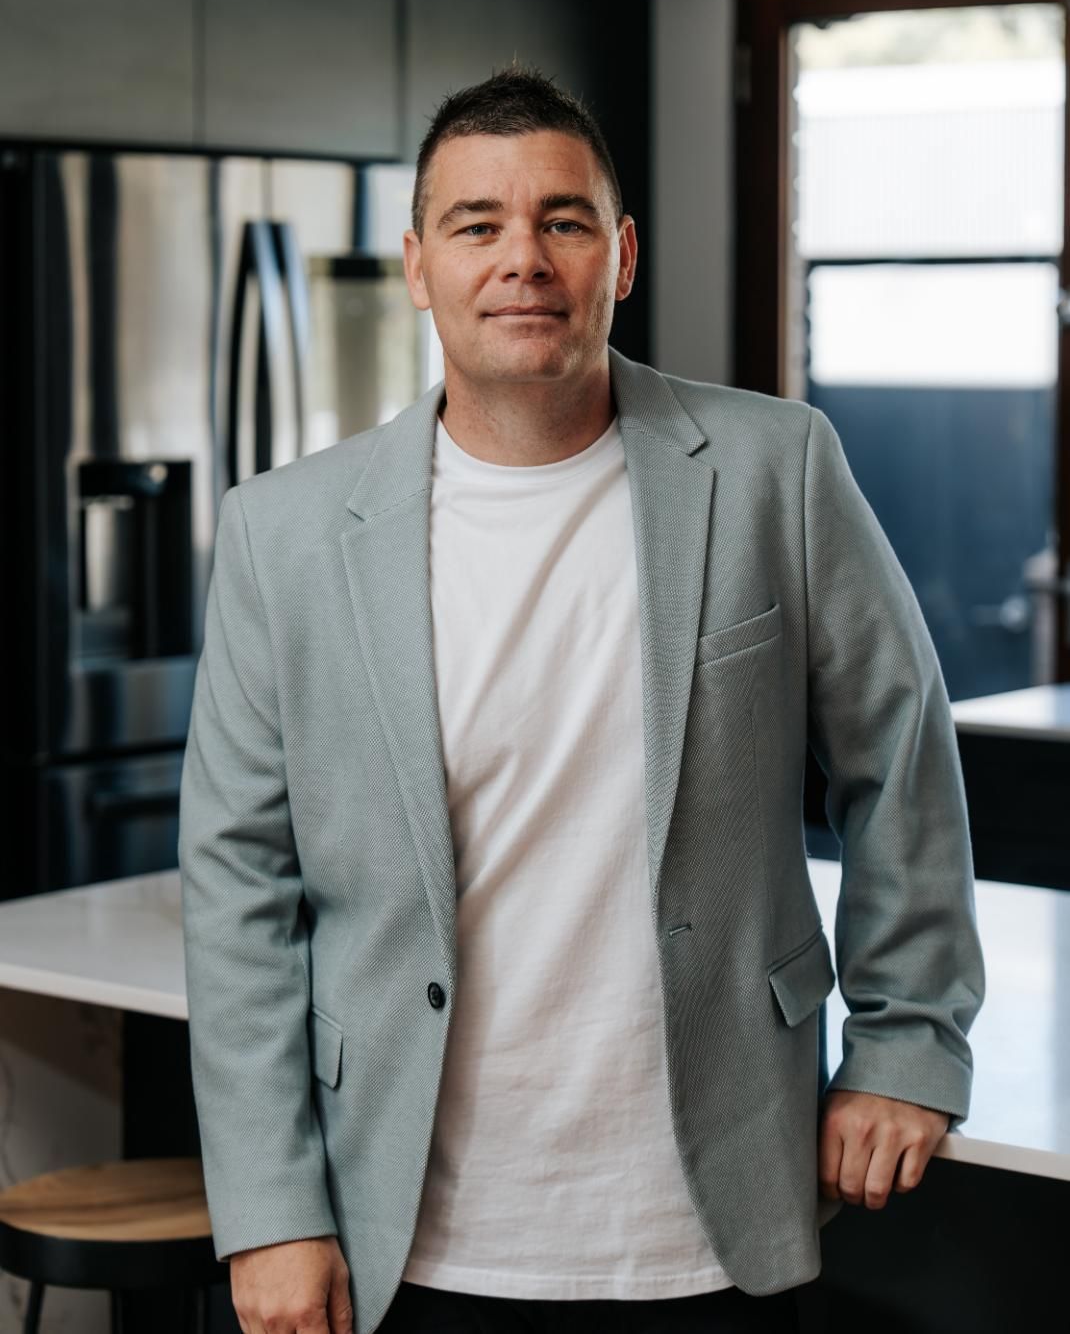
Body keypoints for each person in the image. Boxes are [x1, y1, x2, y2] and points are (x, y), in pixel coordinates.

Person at [178, 65, 985, 1334]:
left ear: (621, 254)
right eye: (476, 224)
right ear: (415, 263)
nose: (523, 259)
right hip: (410, 1225)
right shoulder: (281, 536)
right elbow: (236, 884)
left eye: (561, 220)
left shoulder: (776, 468)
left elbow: (902, 756)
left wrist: (904, 1038)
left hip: (707, 1208)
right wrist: (273, 1206)